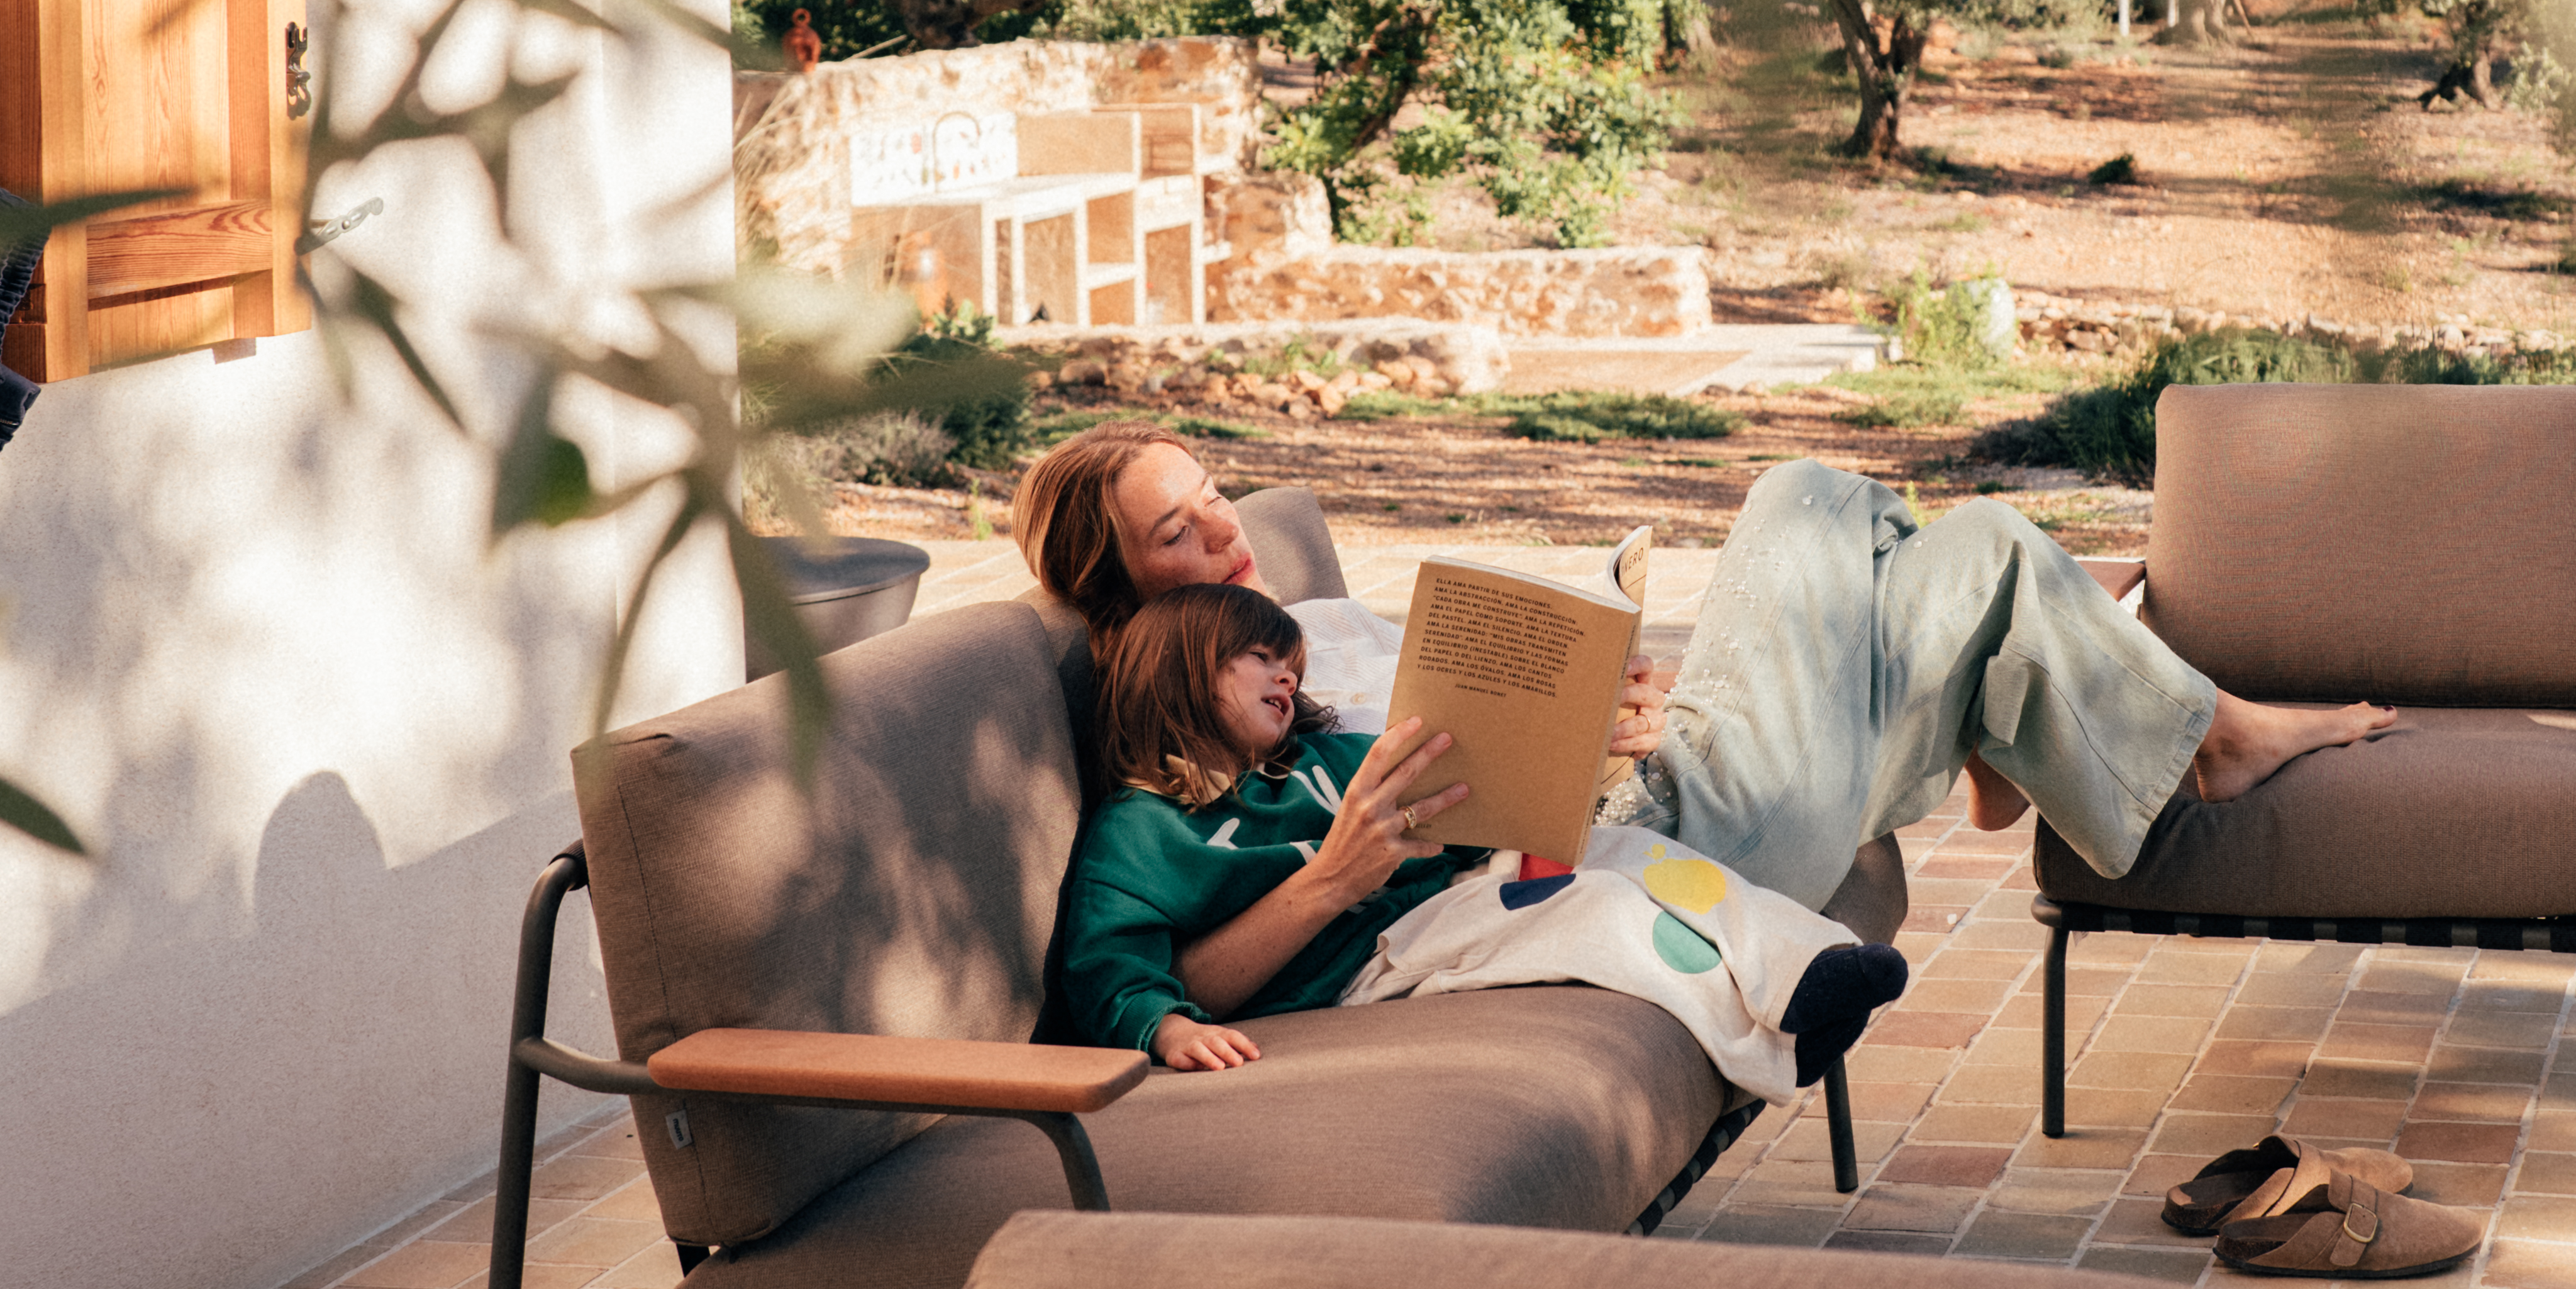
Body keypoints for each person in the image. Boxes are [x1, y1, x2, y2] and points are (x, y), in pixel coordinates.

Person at [1009, 425, 2391, 916]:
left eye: (1211, 491)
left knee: (1974, 543)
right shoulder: (1184, 685)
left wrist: (1610, 705)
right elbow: (1317, 829)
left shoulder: (1293, 612)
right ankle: (2040, 728)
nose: (1220, 529)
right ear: (1119, 580)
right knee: (1806, 493)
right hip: (1640, 849)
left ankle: (2034, 721)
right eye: (1171, 532)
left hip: (1669, 788)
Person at [1048, 583, 1911, 1102]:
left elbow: (1453, 787)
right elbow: (1107, 968)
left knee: (1633, 858)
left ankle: (1808, 968)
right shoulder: (1143, 831)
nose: (1289, 676)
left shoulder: (1314, 761)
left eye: (1293, 664)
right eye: (1261, 659)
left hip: (1438, 900)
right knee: (1597, 908)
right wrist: (1161, 1026)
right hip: (1363, 964)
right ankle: (1776, 1042)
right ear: (1183, 672)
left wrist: (1566, 744)